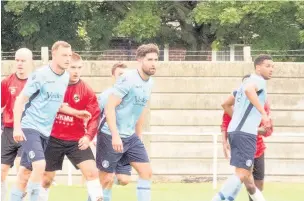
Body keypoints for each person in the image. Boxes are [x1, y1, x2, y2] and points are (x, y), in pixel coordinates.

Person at [10, 41, 74, 201]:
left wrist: (77, 113)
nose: (68, 59)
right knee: (40, 166)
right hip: (30, 127)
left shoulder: (65, 76)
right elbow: (19, 101)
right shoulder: (41, 75)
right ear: (54, 55)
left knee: (25, 173)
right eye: (64, 55)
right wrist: (17, 128)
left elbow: (55, 103)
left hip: (46, 132)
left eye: (69, 55)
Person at [96, 44, 159, 201]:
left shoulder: (150, 83)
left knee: (146, 172)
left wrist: (138, 135)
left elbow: (141, 109)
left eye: (156, 60)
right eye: (149, 59)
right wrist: (116, 136)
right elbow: (110, 106)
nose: (153, 63)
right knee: (106, 180)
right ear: (139, 60)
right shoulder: (127, 79)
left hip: (130, 137)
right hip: (109, 134)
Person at [39, 52, 103, 201]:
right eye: (73, 67)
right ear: (65, 66)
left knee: (92, 173)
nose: (76, 71)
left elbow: (94, 116)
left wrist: (88, 137)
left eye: (79, 67)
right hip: (52, 138)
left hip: (76, 140)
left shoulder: (86, 90)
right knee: (46, 179)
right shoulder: (53, 85)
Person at [210, 54, 274, 201]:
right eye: (268, 66)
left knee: (248, 180)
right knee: (242, 174)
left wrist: (237, 119)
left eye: (273, 66)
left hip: (238, 131)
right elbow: (249, 91)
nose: (271, 69)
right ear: (258, 67)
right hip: (245, 134)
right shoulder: (258, 82)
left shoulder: (242, 85)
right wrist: (263, 113)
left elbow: (225, 104)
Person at [1, 48, 33, 200]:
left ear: (30, 62)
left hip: (27, 131)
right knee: (1, 171)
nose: (19, 63)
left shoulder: (35, 82)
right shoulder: (7, 82)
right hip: (9, 131)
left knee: (23, 171)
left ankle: (20, 197)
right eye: (17, 60)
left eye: (23, 60)